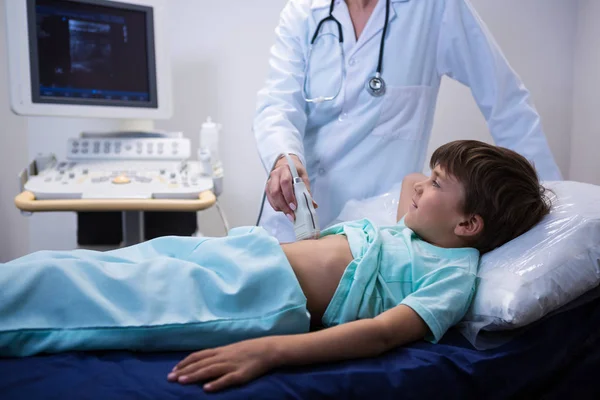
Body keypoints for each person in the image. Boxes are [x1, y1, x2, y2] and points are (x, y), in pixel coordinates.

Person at [0, 141, 551, 393]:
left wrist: (269, 351)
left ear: (469, 227)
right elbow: (413, 181)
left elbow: (384, 334)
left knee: (86, 295)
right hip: (245, 251)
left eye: (437, 186)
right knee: (67, 265)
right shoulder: (416, 224)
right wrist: (440, 185)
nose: (419, 187)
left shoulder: (453, 273)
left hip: (260, 295)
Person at [254, 0, 561, 243]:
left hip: (373, 232)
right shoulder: (304, 12)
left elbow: (505, 100)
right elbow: (278, 104)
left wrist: (547, 210)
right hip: (292, 216)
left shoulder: (436, 9)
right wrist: (284, 157)